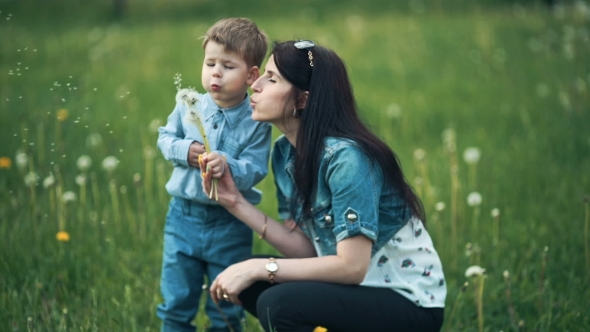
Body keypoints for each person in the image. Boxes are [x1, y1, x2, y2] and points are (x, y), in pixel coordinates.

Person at [199, 40, 446, 332]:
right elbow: (308, 251)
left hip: (409, 303)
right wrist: (234, 201)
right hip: (356, 292)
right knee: (253, 284)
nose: (256, 85)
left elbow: (352, 267)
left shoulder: (348, 159)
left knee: (277, 301)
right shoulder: (283, 154)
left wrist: (260, 268)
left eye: (272, 78)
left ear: (303, 100)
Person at [156, 18, 271, 332]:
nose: (215, 72)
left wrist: (228, 165)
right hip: (183, 216)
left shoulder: (257, 120)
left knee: (227, 304)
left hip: (230, 223)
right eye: (210, 63)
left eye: (227, 66)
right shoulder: (188, 106)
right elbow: (165, 138)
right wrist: (185, 150)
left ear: (251, 76)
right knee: (177, 300)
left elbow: (256, 167)